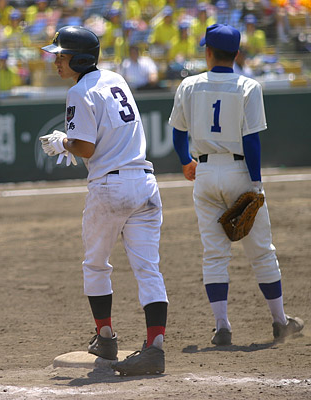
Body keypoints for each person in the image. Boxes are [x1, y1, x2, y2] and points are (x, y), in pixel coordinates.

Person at [40, 26, 168, 376]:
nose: (56, 62)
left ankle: (106, 335)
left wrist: (62, 142)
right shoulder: (117, 79)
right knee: (148, 269)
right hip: (144, 182)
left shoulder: (79, 92)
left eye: (61, 56)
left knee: (96, 265)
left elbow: (86, 149)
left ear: (79, 58)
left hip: (110, 187)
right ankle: (155, 347)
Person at [169, 24, 304, 347]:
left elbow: (177, 133)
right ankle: (279, 321)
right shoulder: (248, 86)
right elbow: (251, 140)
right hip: (239, 171)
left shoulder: (188, 85)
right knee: (261, 253)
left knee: (214, 254)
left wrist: (186, 160)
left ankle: (222, 326)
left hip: (204, 174)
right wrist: (255, 184)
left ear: (208, 51)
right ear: (238, 54)